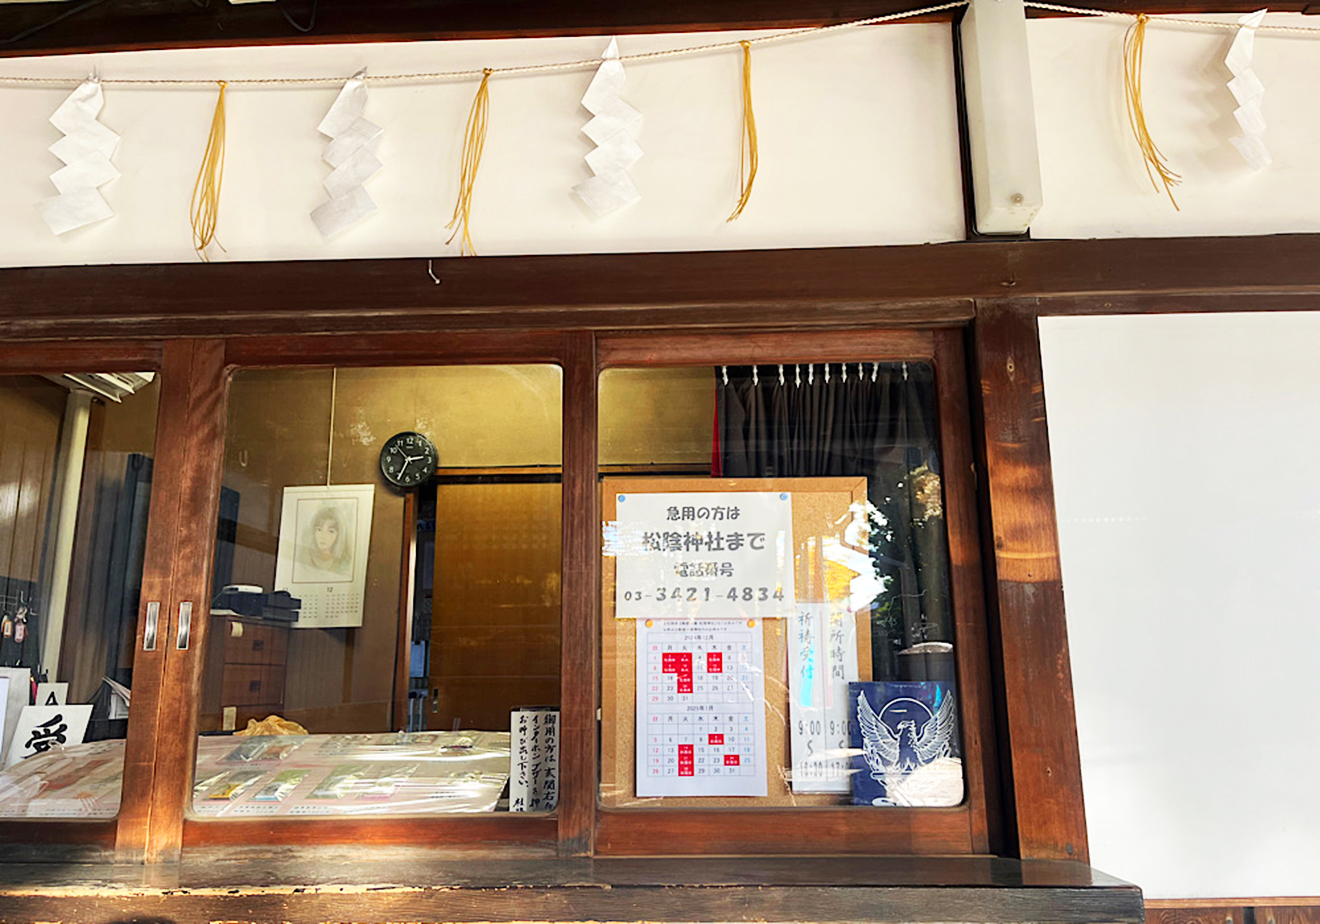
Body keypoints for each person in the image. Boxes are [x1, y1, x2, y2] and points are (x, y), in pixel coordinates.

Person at [296, 503, 353, 580]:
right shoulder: (304, 559)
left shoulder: (344, 564)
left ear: (339, 535)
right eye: (319, 529)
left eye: (331, 531)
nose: (323, 536)